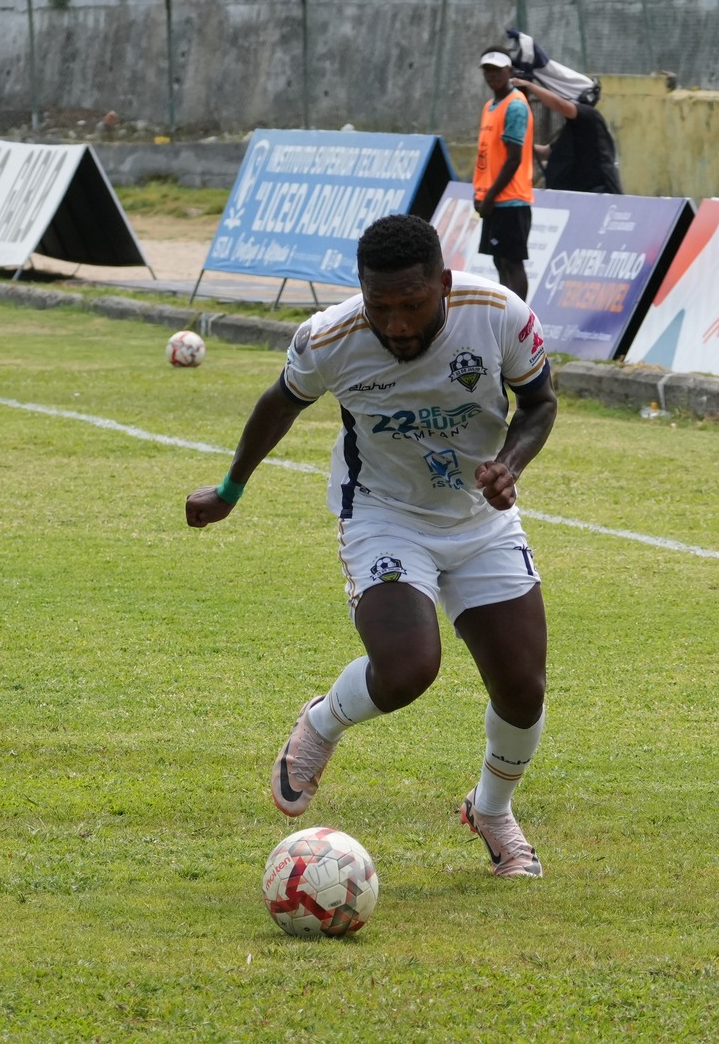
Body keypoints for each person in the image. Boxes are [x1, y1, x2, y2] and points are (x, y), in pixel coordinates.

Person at [186, 215, 559, 878]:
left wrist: (512, 461)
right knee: (410, 667)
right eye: (379, 307)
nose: (397, 325)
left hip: (480, 519)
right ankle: (322, 723)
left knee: (523, 688)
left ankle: (491, 809)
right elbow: (280, 402)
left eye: (413, 305)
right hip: (382, 515)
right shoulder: (330, 337)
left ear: (444, 283)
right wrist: (229, 488)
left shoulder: (499, 314)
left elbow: (539, 403)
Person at [473, 48, 534, 300]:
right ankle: (508, 316)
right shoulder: (490, 106)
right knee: (500, 261)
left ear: (509, 71)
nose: (492, 75)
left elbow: (513, 159)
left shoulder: (515, 106)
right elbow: (488, 155)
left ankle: (519, 319)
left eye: (497, 70)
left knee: (512, 262)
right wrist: (481, 194)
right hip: (494, 198)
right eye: (487, 70)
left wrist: (490, 197)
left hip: (510, 198)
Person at [515, 77, 622, 195]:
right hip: (575, 195)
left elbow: (560, 105)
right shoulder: (574, 127)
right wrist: (519, 144)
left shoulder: (589, 115)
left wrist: (530, 86)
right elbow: (547, 152)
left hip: (594, 195)